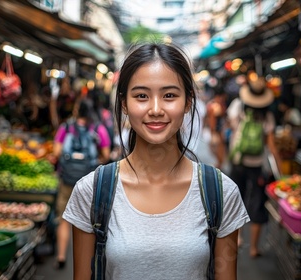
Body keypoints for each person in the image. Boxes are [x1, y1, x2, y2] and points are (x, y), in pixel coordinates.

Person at [63, 43, 249, 279]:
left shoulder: (221, 193)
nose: (155, 109)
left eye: (169, 95)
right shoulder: (91, 191)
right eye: (141, 96)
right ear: (124, 104)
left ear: (188, 102)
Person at [51, 98, 111, 269]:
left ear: (77, 110)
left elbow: (56, 152)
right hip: (89, 182)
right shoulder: (98, 129)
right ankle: (90, 260)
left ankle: (61, 256)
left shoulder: (66, 127)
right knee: (91, 222)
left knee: (63, 218)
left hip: (67, 179)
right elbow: (106, 155)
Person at [227, 74, 282, 258]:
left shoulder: (237, 106)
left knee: (236, 199)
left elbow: (230, 127)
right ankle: (253, 248)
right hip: (257, 165)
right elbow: (271, 144)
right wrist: (280, 170)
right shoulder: (267, 115)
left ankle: (238, 238)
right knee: (257, 202)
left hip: (238, 161)